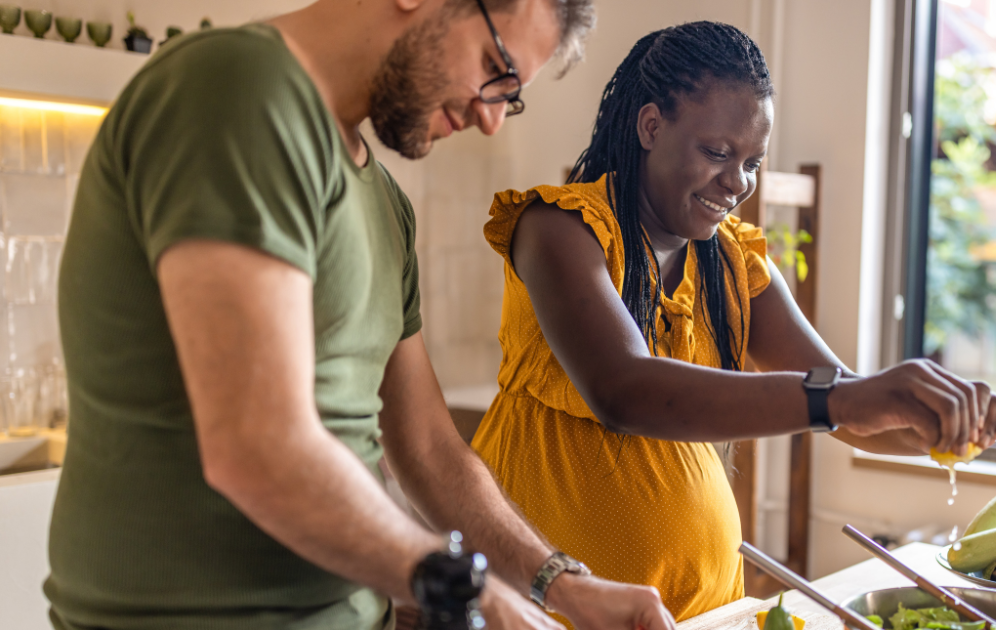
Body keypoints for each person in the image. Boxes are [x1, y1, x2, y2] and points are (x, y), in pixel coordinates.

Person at [44, 1, 675, 629]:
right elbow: (256, 445)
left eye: (510, 97)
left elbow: (428, 449)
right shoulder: (236, 90)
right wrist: (468, 589)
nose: (490, 120)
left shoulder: (383, 203)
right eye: (494, 66)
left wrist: (560, 585)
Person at [471, 21, 996, 623]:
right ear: (650, 126)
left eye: (752, 161)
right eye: (718, 153)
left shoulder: (734, 263)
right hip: (543, 611)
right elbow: (624, 390)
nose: (738, 182)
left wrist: (947, 423)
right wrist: (849, 398)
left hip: (705, 613)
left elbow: (855, 415)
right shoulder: (560, 230)